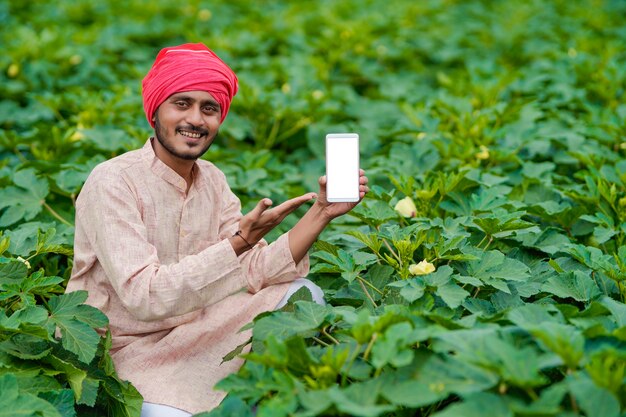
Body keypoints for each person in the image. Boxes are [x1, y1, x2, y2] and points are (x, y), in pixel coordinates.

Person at [65, 42, 368, 416]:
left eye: (209, 109)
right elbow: (145, 297)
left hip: (196, 327)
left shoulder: (212, 179)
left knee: (301, 294)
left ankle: (258, 394)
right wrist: (240, 241)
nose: (196, 119)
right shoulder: (112, 182)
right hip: (124, 350)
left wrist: (321, 211)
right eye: (182, 104)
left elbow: (253, 270)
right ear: (154, 112)